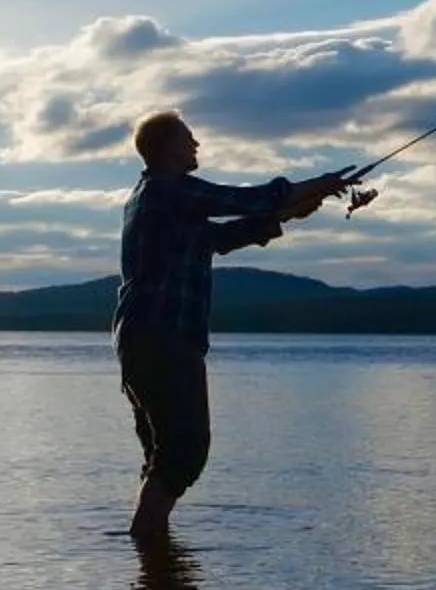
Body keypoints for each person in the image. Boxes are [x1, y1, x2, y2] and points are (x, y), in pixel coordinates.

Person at [112, 110, 349, 538]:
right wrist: (317, 184)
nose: (197, 144)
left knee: (166, 455)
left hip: (145, 339)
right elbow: (248, 199)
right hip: (164, 338)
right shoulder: (170, 192)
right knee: (184, 452)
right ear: (169, 149)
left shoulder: (154, 198)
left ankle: (153, 562)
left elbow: (218, 239)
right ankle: (151, 554)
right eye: (189, 138)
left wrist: (289, 213)